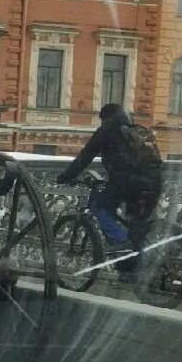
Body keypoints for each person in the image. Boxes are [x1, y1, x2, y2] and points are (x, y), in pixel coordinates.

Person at [56, 103, 163, 270]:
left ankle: (122, 244)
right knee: (136, 230)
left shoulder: (107, 131)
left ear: (106, 118)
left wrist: (65, 176)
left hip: (129, 183)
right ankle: (139, 273)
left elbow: (85, 157)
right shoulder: (140, 131)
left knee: (98, 206)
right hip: (155, 182)